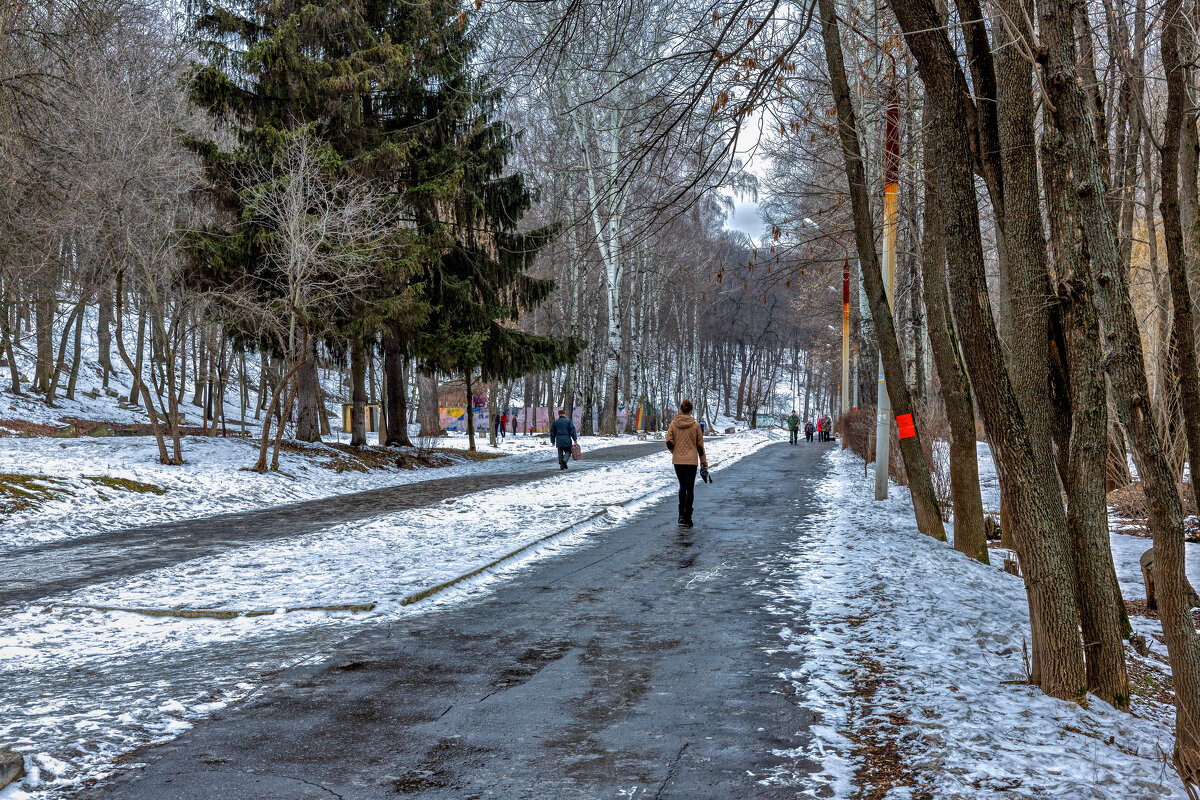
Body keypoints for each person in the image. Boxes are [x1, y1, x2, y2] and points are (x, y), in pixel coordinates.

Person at [666, 399, 707, 527]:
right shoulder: (695, 426)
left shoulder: (673, 424)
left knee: (682, 487)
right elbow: (700, 446)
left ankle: (680, 516)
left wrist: (675, 451)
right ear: (691, 410)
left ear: (680, 410)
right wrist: (703, 462)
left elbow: (669, 441)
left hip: (678, 461)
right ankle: (687, 517)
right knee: (690, 489)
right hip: (691, 461)